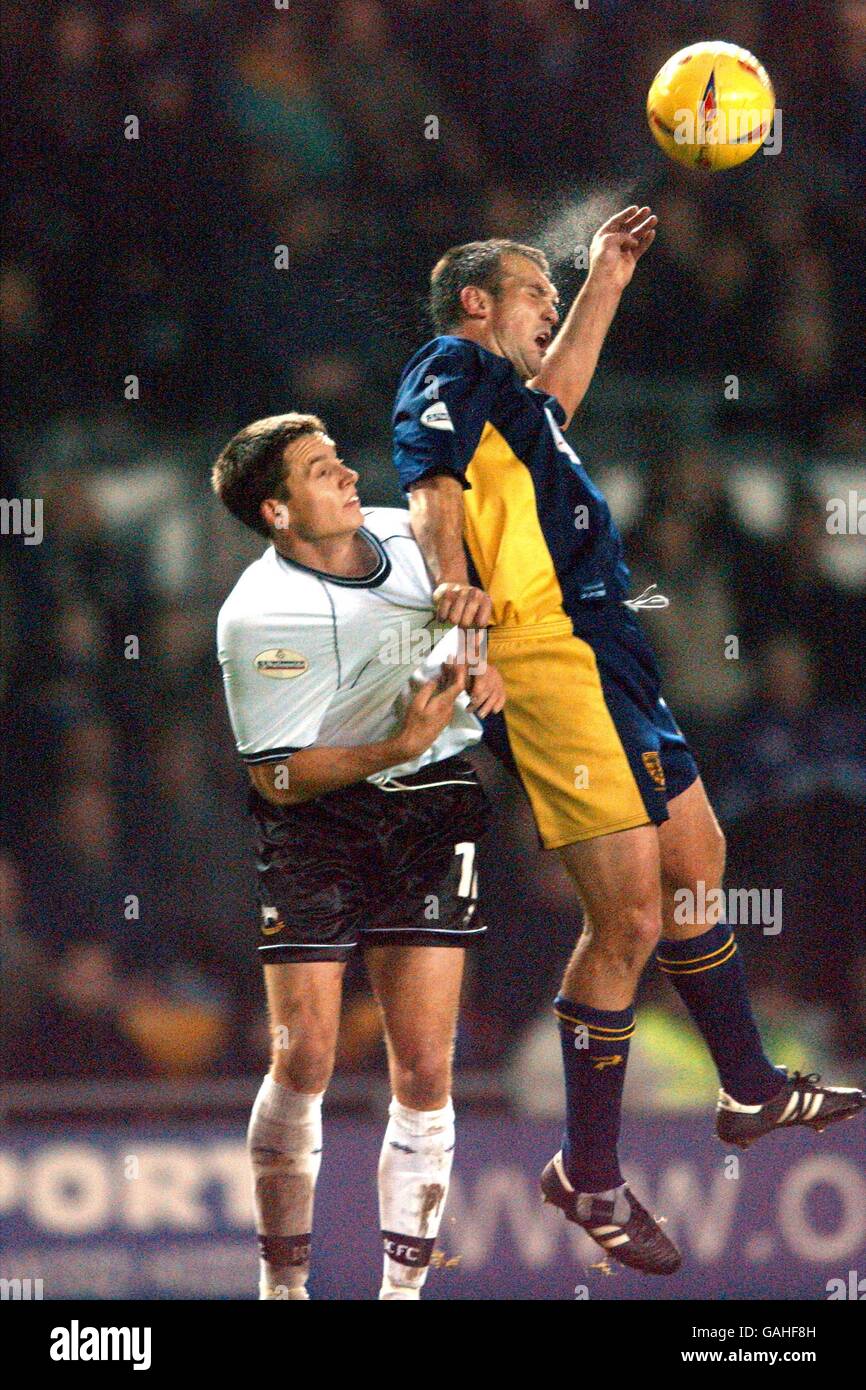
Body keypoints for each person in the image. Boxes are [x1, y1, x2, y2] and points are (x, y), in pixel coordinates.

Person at [391, 212, 865, 1276]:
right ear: (476, 304)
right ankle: (588, 1173)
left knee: (698, 861)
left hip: (611, 650)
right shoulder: (446, 365)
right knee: (631, 913)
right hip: (543, 654)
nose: (545, 307)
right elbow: (429, 495)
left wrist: (603, 279)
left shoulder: (512, 402)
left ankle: (745, 1082)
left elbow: (554, 399)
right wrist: (461, 623)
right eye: (533, 293)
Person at [212, 412, 500, 1300]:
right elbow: (278, 777)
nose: (343, 472)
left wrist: (482, 654)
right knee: (306, 1059)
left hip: (432, 799)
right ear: (277, 512)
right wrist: (389, 745)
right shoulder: (258, 616)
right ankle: (283, 1287)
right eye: (315, 468)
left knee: (424, 1062)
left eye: (337, 455)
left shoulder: (410, 536)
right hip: (317, 820)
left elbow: (478, 598)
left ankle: (401, 1295)